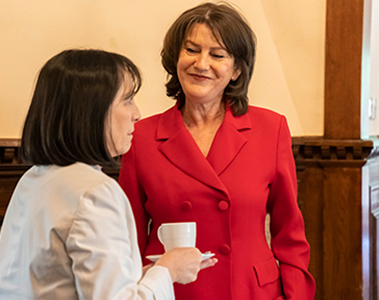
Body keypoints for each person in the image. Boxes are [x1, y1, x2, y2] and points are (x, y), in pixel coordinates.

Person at [118, 4, 316, 299]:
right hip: (172, 291)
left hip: (250, 291)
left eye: (217, 54)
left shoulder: (270, 128)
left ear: (237, 69)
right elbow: (128, 238)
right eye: (192, 50)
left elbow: (290, 234)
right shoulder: (142, 137)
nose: (201, 63)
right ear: (176, 58)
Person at [0, 49, 215, 299]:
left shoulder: (34, 178)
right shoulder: (95, 193)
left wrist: (147, 274)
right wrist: (168, 271)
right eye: (127, 99)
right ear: (92, 110)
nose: (137, 114)